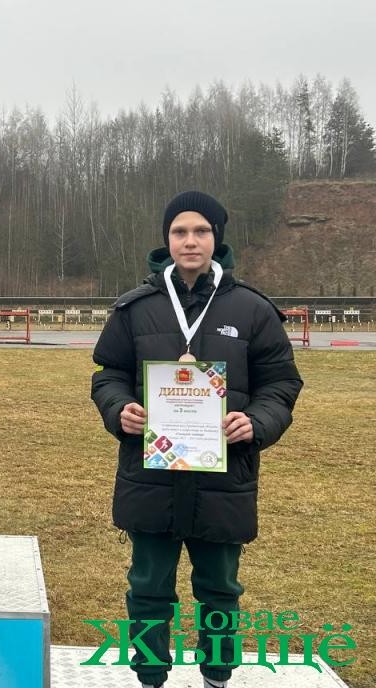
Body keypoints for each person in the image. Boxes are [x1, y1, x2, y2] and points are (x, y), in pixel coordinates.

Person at [91, 191, 303, 688]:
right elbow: (108, 375)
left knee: (220, 588)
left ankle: (217, 677)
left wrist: (257, 422)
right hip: (150, 477)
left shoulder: (252, 309)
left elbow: (281, 384)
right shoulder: (135, 308)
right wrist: (119, 409)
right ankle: (149, 676)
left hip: (224, 479)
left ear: (217, 238)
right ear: (166, 239)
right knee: (148, 587)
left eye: (201, 231)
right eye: (180, 231)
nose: (191, 241)